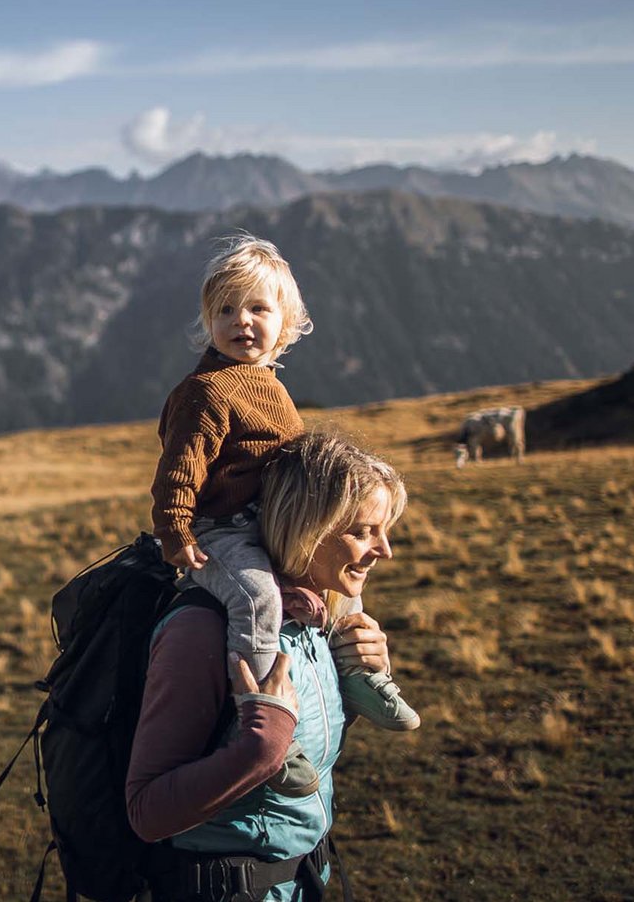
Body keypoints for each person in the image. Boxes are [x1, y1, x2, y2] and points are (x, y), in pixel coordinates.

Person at [151, 233, 417, 797]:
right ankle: (266, 717)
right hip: (218, 533)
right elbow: (180, 470)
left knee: (343, 585)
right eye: (224, 309)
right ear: (207, 321)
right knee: (258, 599)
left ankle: (363, 674)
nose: (240, 320)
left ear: (287, 323)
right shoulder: (207, 393)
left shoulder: (270, 385)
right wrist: (175, 531)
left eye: (257, 308)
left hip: (264, 523)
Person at [127, 431, 408, 901]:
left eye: (384, 531)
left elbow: (304, 750)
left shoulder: (310, 619)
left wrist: (354, 678)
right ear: (304, 526)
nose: (383, 550)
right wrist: (261, 749)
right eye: (361, 531)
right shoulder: (200, 630)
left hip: (300, 881)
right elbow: (147, 812)